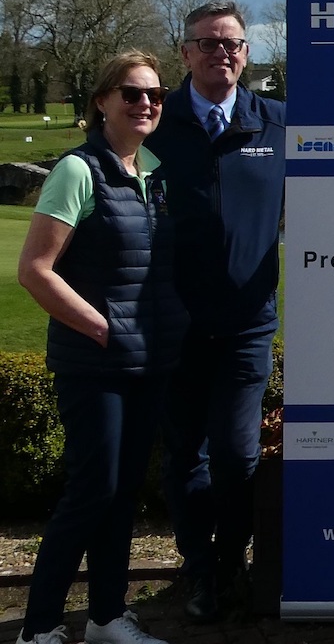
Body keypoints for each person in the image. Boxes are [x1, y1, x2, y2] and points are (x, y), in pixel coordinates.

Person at [16, 52, 188, 644]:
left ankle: (107, 618)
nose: (146, 104)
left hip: (148, 361)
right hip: (95, 364)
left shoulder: (155, 173)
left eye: (155, 95)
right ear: (102, 101)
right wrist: (99, 325)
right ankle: (39, 627)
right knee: (91, 493)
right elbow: (35, 270)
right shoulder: (78, 170)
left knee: (121, 494)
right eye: (132, 93)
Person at [146, 0, 286, 622]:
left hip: (247, 323)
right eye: (207, 42)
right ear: (185, 52)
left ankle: (230, 563)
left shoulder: (278, 124)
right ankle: (200, 569)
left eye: (231, 43)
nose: (220, 53)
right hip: (173, 324)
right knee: (184, 456)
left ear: (246, 54)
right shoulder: (156, 122)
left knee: (236, 454)